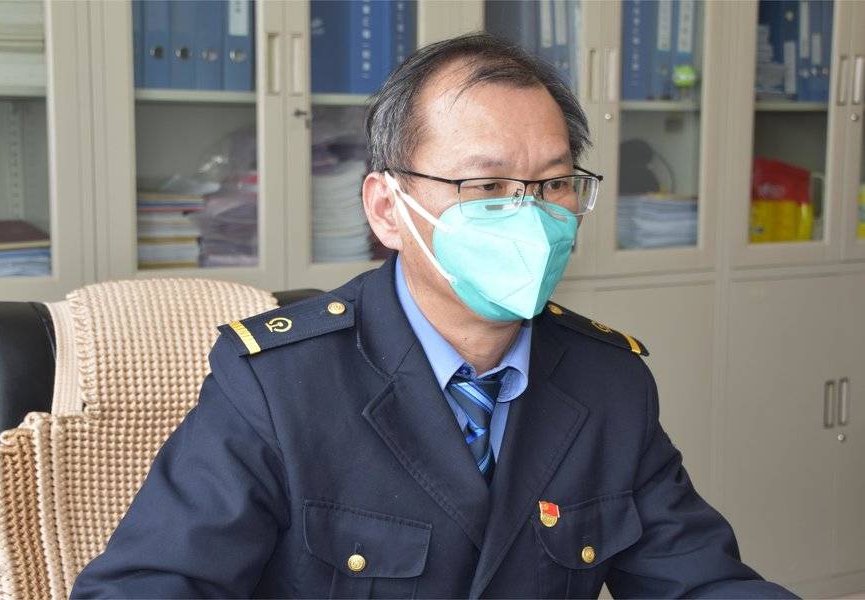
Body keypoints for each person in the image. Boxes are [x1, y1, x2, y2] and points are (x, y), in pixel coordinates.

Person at [70, 33, 798, 598]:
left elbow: (701, 581)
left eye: (553, 184)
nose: (530, 214)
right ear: (387, 209)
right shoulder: (280, 385)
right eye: (486, 186)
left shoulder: (608, 382)